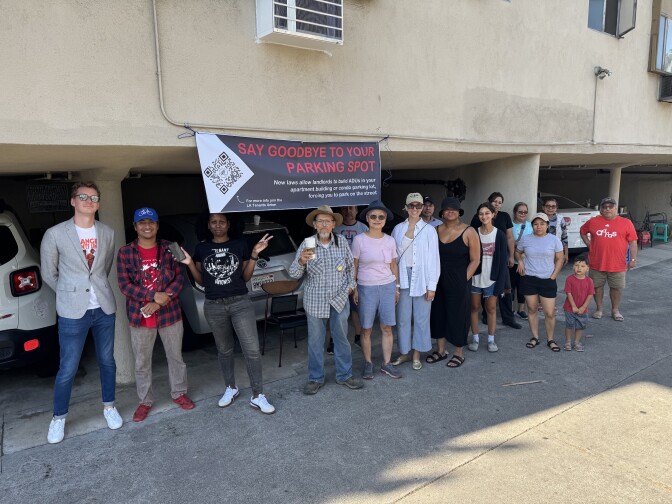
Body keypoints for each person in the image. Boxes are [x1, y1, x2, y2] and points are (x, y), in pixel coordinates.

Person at [40, 181, 122, 444]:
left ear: (98, 203)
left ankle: (109, 407)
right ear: (73, 201)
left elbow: (104, 268)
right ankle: (59, 418)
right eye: (83, 196)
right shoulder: (55, 234)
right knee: (68, 368)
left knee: (107, 361)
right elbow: (48, 273)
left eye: (94, 197)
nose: (89, 200)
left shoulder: (107, 232)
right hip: (72, 311)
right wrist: (69, 292)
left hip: (104, 308)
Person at [181, 213, 276, 414]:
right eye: (213, 222)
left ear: (228, 224)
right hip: (214, 305)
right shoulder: (201, 248)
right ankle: (230, 387)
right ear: (208, 224)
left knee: (251, 350)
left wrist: (254, 255)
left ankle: (257, 395)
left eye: (221, 222)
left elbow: (246, 276)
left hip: (240, 302)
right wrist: (189, 263)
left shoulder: (239, 245)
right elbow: (201, 281)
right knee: (224, 350)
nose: (217, 225)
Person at [116, 207, 194, 423]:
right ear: (135, 227)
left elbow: (179, 278)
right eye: (142, 223)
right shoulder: (125, 252)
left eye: (151, 222)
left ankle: (179, 393)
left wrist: (161, 301)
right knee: (141, 362)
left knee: (175, 357)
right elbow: (124, 285)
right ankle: (145, 401)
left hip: (169, 314)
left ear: (157, 225)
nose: (147, 226)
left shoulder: (171, 248)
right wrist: (152, 296)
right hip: (139, 316)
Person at [289, 205, 363, 395]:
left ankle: (344, 375)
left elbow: (349, 269)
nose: (324, 224)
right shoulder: (307, 245)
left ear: (333, 224)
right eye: (320, 221)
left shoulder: (342, 243)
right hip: (315, 301)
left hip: (339, 299)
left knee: (341, 340)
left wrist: (350, 288)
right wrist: (301, 262)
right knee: (315, 341)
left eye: (327, 221)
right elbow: (293, 274)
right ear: (314, 225)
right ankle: (315, 378)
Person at [428, 197, 480, 368]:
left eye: (454, 209)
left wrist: (463, 278)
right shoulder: (435, 230)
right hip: (437, 281)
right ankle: (441, 350)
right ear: (442, 213)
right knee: (438, 315)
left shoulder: (469, 231)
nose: (450, 212)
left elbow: (475, 259)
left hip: (459, 281)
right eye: (447, 209)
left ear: (459, 212)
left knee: (459, 315)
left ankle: (459, 352)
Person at [351, 201, 400, 379]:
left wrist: (397, 287)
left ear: (385, 220)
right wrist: (354, 287)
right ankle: (368, 363)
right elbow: (354, 266)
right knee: (366, 328)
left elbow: (394, 265)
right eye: (373, 216)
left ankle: (386, 364)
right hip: (366, 287)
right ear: (367, 219)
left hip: (387, 286)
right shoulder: (359, 240)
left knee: (387, 327)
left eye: (381, 217)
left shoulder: (390, 240)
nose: (377, 220)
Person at [391, 193, 440, 370]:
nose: (415, 209)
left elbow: (435, 259)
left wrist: (432, 286)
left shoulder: (429, 230)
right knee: (403, 318)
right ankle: (404, 353)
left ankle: (417, 354)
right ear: (406, 208)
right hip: (402, 276)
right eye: (411, 205)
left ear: (422, 208)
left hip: (422, 277)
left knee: (421, 318)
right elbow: (393, 257)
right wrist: (394, 283)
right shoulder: (397, 229)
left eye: (418, 206)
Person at [579, 197, 638, 321]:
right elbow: (582, 231)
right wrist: (589, 244)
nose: (607, 209)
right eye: (604, 207)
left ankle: (615, 310)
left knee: (616, 287)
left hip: (617, 263)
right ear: (600, 209)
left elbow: (633, 242)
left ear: (616, 209)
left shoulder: (626, 223)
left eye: (610, 207)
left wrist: (633, 260)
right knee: (597, 286)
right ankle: (599, 309)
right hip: (596, 261)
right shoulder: (593, 221)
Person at [470, 192, 521, 329]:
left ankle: (508, 318)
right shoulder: (477, 220)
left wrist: (511, 256)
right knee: (482, 295)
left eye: (500, 202)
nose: (497, 204)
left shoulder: (504, 217)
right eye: (494, 201)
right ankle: (486, 317)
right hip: (481, 265)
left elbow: (510, 237)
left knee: (504, 289)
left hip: (499, 258)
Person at [515, 213, 564, 352]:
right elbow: (517, 252)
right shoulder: (526, 239)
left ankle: (550, 339)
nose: (539, 226)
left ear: (547, 225)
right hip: (529, 278)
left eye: (542, 224)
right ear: (532, 226)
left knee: (549, 313)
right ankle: (535, 337)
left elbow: (560, 258)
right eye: (536, 224)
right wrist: (520, 261)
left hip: (548, 279)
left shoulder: (554, 240)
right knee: (532, 309)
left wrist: (554, 275)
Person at [469, 202, 509, 353]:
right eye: (481, 213)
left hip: (492, 278)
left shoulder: (499, 234)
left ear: (493, 214)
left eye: (487, 213)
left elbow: (502, 261)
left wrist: (501, 282)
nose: (484, 216)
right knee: (474, 307)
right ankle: (475, 338)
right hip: (475, 277)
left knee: (491, 308)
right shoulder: (473, 232)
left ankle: (491, 340)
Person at [331, 205, 368, 351]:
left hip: (359, 274)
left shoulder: (363, 228)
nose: (348, 211)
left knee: (356, 307)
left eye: (351, 208)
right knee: (337, 308)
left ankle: (358, 336)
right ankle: (334, 339)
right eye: (345, 209)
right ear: (340, 212)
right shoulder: (335, 229)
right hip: (338, 275)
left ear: (357, 211)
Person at [562, 254, 595, 352]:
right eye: (576, 265)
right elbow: (569, 293)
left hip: (583, 309)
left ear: (587, 269)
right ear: (573, 267)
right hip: (569, 308)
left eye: (582, 266)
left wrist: (583, 307)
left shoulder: (589, 281)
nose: (579, 268)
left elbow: (590, 295)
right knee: (569, 325)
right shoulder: (570, 279)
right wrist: (573, 306)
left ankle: (576, 342)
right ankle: (568, 342)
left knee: (580, 326)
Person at [511, 202, 533, 320]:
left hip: (525, 261)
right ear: (515, 212)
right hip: (511, 261)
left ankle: (521, 309)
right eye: (520, 212)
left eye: (525, 212)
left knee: (522, 286)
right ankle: (511, 309)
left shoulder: (530, 225)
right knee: (511, 286)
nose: (523, 214)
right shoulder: (509, 225)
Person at [542, 197, 569, 265]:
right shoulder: (539, 218)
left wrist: (566, 254)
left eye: (553, 206)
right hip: (541, 251)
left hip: (556, 251)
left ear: (556, 208)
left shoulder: (560, 219)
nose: (550, 208)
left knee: (553, 273)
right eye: (548, 206)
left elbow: (564, 237)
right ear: (543, 207)